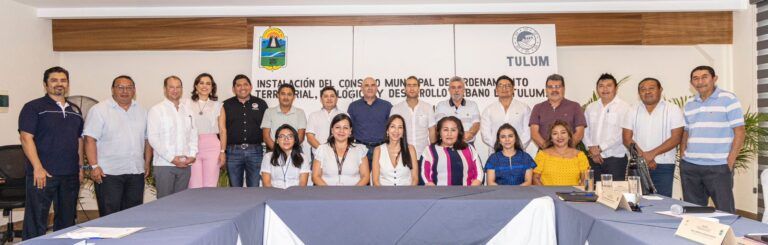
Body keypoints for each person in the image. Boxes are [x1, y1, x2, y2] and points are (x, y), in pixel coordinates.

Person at [19, 66, 84, 239]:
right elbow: (26, 138)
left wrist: (80, 167)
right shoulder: (33, 107)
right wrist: (37, 168)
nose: (59, 84)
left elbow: (79, 140)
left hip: (70, 174)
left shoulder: (75, 110)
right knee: (36, 221)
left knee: (67, 221)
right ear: (45, 84)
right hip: (43, 174)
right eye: (54, 80)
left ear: (68, 84)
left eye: (63, 80)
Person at [83, 75, 151, 217]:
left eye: (129, 87)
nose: (125, 91)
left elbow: (147, 140)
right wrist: (94, 166)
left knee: (133, 214)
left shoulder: (141, 110)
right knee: (110, 215)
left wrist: (147, 163)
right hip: (108, 173)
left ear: (134, 90)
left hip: (135, 171)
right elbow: (90, 139)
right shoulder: (99, 110)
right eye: (120, 87)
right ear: (113, 90)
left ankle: (131, 240)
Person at [680, 66, 745, 213]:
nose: (700, 81)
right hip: (690, 166)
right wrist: (683, 154)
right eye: (695, 78)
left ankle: (728, 236)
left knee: (725, 211)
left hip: (719, 167)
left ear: (714, 79)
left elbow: (740, 131)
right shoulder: (689, 104)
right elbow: (686, 131)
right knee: (693, 211)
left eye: (704, 77)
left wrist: (730, 160)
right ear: (691, 83)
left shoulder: (729, 99)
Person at [622, 78, 684, 197]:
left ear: (660, 90)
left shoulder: (672, 109)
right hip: (637, 166)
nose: (647, 92)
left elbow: (676, 138)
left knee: (662, 202)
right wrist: (643, 158)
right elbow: (626, 138)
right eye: (643, 89)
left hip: (663, 166)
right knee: (636, 202)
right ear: (639, 93)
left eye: (651, 88)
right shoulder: (631, 110)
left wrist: (651, 154)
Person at [148, 76, 198, 198]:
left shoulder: (188, 111)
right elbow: (153, 138)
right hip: (165, 165)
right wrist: (171, 158)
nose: (175, 90)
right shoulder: (156, 110)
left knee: (181, 202)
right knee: (164, 203)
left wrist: (192, 155)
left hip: (185, 164)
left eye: (178, 87)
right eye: (171, 87)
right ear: (165, 89)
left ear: (181, 89)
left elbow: (193, 134)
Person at [219, 74, 269, 187]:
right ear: (233, 89)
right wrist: (223, 152)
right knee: (235, 189)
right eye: (238, 85)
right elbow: (221, 130)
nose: (242, 87)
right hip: (232, 152)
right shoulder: (225, 105)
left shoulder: (261, 104)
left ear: (251, 87)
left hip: (255, 151)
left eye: (245, 84)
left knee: (254, 187)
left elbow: (267, 128)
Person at [582, 73, 631, 181]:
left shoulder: (625, 107)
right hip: (593, 159)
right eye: (601, 86)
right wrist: (591, 148)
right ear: (597, 88)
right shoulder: (591, 107)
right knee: (593, 193)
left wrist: (600, 148)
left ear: (616, 88)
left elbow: (622, 134)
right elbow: (585, 130)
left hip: (615, 159)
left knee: (614, 194)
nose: (605, 89)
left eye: (609, 85)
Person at [420, 116, 483, 186]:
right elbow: (424, 176)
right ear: (439, 132)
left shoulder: (469, 149)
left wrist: (470, 192)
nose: (449, 134)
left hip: (466, 194)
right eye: (445, 130)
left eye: (453, 130)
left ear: (459, 132)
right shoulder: (429, 151)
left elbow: (479, 175)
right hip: (437, 195)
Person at [186, 73, 224, 188]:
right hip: (192, 147)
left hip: (212, 147)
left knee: (210, 185)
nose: (204, 86)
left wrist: (222, 152)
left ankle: (209, 206)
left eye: (208, 83)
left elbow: (223, 130)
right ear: (196, 86)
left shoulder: (218, 105)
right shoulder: (186, 103)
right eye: (201, 83)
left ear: (212, 87)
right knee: (194, 185)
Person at [529, 74, 587, 148]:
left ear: (563, 89)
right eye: (550, 87)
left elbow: (580, 132)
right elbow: (534, 133)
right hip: (545, 153)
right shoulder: (538, 108)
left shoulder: (575, 106)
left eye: (557, 87)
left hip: (569, 153)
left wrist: (566, 149)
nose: (554, 90)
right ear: (546, 90)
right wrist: (549, 150)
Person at [312, 114, 370, 186]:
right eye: (337, 127)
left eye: (345, 128)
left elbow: (365, 177)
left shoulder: (360, 149)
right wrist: (329, 192)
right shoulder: (322, 149)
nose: (341, 131)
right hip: (327, 193)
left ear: (350, 131)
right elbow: (315, 176)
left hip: (354, 193)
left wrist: (353, 192)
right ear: (332, 130)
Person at [481, 75, 532, 153]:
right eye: (500, 86)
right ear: (496, 90)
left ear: (513, 89)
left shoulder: (524, 108)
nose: (504, 88)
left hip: (519, 153)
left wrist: (516, 147)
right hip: (496, 154)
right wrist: (499, 147)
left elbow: (528, 133)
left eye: (508, 86)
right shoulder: (488, 110)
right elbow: (486, 134)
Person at [347, 77, 392, 162]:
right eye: (367, 85)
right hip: (360, 148)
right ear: (362, 88)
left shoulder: (387, 106)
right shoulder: (353, 106)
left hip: (381, 148)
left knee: (379, 175)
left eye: (373, 85)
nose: (370, 88)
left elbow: (391, 128)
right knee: (362, 175)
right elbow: (349, 129)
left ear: (376, 88)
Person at [533, 120, 590, 186]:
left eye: (563, 132)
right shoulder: (542, 155)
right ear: (551, 138)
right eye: (555, 133)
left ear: (569, 136)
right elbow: (535, 178)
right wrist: (546, 194)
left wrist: (578, 194)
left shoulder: (580, 155)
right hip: (548, 195)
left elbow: (586, 179)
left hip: (573, 194)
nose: (559, 136)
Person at [390, 76, 436, 155]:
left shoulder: (428, 107)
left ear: (418, 88)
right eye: (409, 85)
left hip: (424, 154)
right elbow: (392, 133)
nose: (412, 88)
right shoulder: (396, 109)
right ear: (405, 89)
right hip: (403, 154)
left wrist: (434, 152)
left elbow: (432, 131)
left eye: (414, 85)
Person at [371, 115, 419, 186]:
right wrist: (384, 195)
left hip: (406, 194)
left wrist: (408, 194)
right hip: (383, 194)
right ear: (387, 130)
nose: (396, 131)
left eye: (400, 127)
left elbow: (415, 179)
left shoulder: (411, 149)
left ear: (403, 132)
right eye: (392, 126)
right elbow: (375, 181)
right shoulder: (378, 150)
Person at [260, 124, 310, 189]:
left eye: (290, 136)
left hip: (296, 196)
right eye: (282, 136)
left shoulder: (303, 158)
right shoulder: (268, 157)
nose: (286, 139)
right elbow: (266, 184)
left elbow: (302, 184)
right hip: (273, 195)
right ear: (277, 140)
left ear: (295, 140)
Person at [435, 76, 481, 145]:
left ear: (464, 90)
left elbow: (476, 124)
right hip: (448, 145)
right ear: (449, 90)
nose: (456, 90)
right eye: (453, 88)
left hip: (467, 144)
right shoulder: (441, 105)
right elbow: (439, 125)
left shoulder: (473, 105)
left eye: (459, 87)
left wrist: (471, 133)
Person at [262, 83, 307, 151]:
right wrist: (277, 152)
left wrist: (289, 152)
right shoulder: (269, 112)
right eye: (283, 94)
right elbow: (266, 136)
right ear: (278, 95)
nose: (286, 97)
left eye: (289, 94)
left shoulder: (300, 112)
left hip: (294, 151)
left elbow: (301, 136)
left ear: (294, 97)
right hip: (273, 150)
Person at [306, 86, 342, 158]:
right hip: (318, 156)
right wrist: (324, 151)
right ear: (321, 99)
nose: (329, 99)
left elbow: (348, 136)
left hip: (340, 156)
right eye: (326, 96)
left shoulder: (344, 115)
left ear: (337, 99)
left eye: (332, 96)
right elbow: (310, 137)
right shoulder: (313, 115)